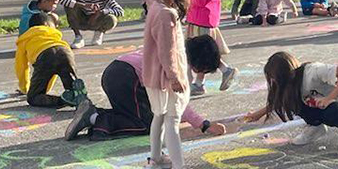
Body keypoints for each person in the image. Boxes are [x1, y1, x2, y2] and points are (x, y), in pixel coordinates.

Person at [66, 36, 230, 142]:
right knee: (148, 125)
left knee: (140, 114)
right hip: (126, 79)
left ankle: (92, 114)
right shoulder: (176, 65)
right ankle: (94, 117)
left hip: (116, 72)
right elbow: (178, 101)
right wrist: (204, 125)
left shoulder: (172, 48)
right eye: (203, 70)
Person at [139, 0, 210, 169]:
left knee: (159, 116)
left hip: (155, 75)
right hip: (165, 77)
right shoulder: (166, 14)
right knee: (172, 119)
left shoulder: (155, 4)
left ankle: (156, 159)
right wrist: (174, 76)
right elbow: (166, 50)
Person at [242, 50, 338, 157]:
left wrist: (331, 97)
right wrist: (258, 114)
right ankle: (316, 127)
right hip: (319, 107)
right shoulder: (290, 82)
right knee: (291, 100)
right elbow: (279, 100)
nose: (274, 82)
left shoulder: (314, 71)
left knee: (334, 110)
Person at [186, 0, 236, 96]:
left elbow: (200, 0)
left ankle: (223, 71)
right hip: (199, 19)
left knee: (202, 53)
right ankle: (200, 82)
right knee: (202, 54)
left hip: (202, 20)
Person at [13, 11, 88, 109]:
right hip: (65, 51)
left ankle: (62, 100)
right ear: (47, 25)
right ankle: (77, 93)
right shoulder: (53, 34)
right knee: (70, 83)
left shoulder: (25, 38)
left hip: (44, 57)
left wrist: (24, 87)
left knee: (33, 98)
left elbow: (21, 66)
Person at [59, 0, 124, 47]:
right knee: (69, 5)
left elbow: (120, 11)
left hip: (96, 21)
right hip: (81, 20)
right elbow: (62, 0)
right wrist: (83, 5)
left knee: (112, 19)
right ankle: (78, 37)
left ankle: (98, 33)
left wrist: (100, 12)